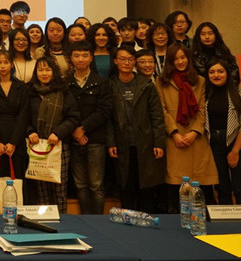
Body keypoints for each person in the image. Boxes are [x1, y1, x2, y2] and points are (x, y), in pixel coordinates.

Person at [156, 43, 218, 211]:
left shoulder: (200, 80)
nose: (180, 61)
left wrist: (194, 132)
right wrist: (174, 133)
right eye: (176, 59)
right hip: (174, 139)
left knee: (201, 184)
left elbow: (202, 109)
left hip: (196, 139)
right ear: (170, 61)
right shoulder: (161, 81)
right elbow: (161, 110)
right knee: (176, 184)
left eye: (183, 57)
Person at [107, 45, 166, 213]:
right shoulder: (110, 85)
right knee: (126, 186)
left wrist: (159, 143)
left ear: (134, 62)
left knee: (146, 187)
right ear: (115, 61)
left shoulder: (146, 84)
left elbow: (157, 115)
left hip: (145, 142)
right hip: (122, 143)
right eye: (122, 59)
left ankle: (146, 221)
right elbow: (108, 118)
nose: (126, 63)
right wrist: (111, 142)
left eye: (130, 59)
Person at [25, 56, 79, 213]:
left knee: (59, 189)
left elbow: (73, 117)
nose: (44, 73)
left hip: (59, 146)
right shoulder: (29, 92)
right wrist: (30, 131)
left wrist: (58, 133)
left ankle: (61, 220)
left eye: (47, 70)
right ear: (35, 72)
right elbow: (23, 117)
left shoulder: (64, 91)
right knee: (41, 190)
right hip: (36, 146)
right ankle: (44, 220)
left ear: (54, 72)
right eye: (40, 70)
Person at [66, 41, 112, 214]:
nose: (81, 59)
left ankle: (98, 222)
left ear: (91, 58)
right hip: (73, 138)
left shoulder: (101, 83)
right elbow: (64, 110)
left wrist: (83, 128)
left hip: (95, 139)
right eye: (77, 55)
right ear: (71, 58)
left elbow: (104, 111)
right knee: (80, 185)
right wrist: (74, 130)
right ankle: (86, 220)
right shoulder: (65, 83)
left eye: (85, 56)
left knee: (96, 185)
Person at [205, 59, 241, 204]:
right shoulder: (205, 94)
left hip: (236, 144)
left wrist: (235, 151)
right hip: (214, 145)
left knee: (239, 188)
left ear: (227, 73)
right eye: (212, 72)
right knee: (222, 187)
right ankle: (225, 218)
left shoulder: (238, 92)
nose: (216, 75)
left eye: (220, 71)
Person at [0, 51, 29, 183]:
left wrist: (13, 142)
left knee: (17, 176)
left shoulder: (21, 87)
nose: (3, 66)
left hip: (16, 136)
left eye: (6, 62)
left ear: (12, 65)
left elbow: (23, 115)